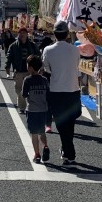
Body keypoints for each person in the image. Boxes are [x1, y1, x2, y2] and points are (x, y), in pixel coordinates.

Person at [42, 21, 81, 167]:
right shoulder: (75, 49)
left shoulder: (48, 50)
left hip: (56, 90)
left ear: (54, 34)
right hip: (73, 89)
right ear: (66, 34)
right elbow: (76, 66)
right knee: (70, 124)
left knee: (61, 124)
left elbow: (46, 68)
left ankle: (69, 154)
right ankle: (67, 152)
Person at [22, 55, 50, 163]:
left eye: (27, 65)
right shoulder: (44, 80)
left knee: (34, 134)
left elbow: (24, 95)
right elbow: (48, 94)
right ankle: (45, 146)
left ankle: (37, 155)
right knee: (42, 131)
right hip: (43, 109)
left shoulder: (27, 80)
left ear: (31, 68)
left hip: (32, 110)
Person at [5, 28, 39, 113]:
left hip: (30, 71)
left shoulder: (32, 45)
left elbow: (38, 55)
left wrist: (38, 68)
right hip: (18, 70)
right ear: (18, 34)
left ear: (27, 34)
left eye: (24, 33)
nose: (22, 34)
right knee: (19, 90)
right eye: (20, 33)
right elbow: (9, 57)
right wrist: (7, 66)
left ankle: (31, 105)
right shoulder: (13, 46)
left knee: (31, 89)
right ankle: (22, 107)